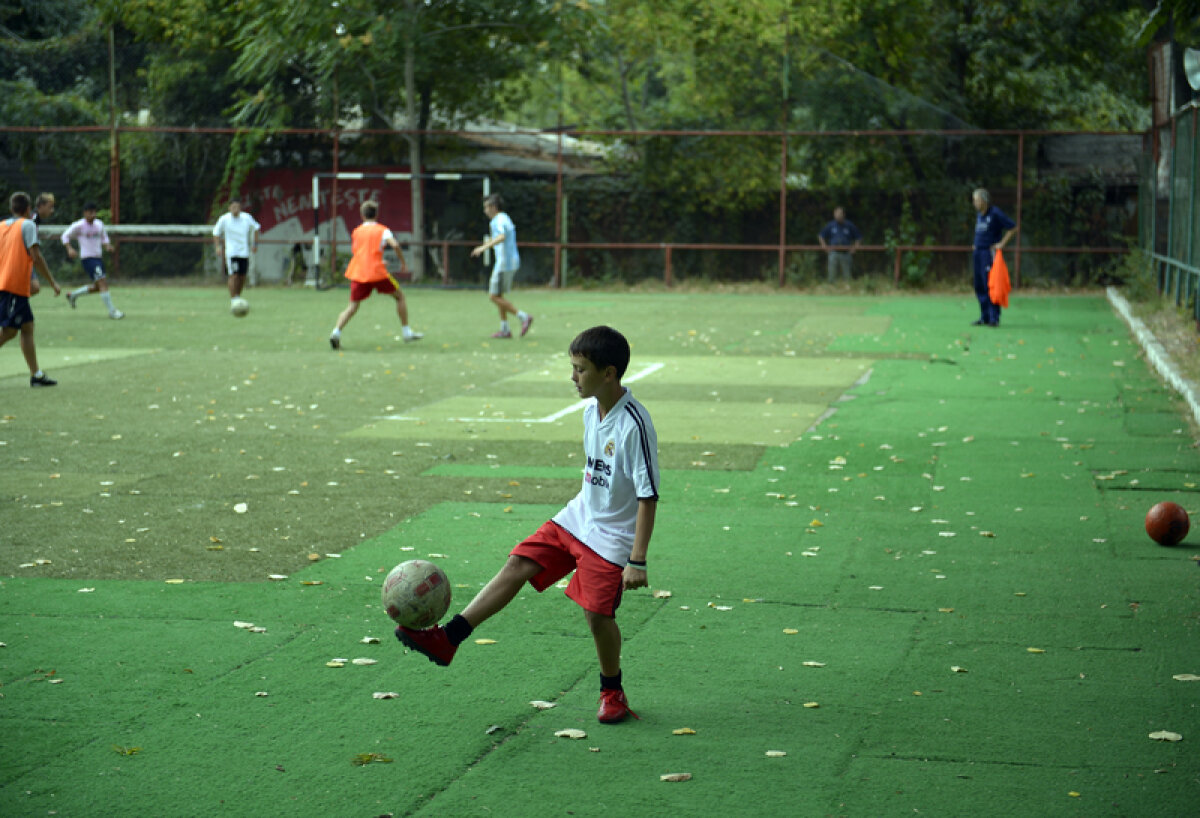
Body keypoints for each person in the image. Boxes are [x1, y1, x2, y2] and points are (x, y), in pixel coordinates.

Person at [396, 325, 659, 724]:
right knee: (518, 563)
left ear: (608, 373)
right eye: (572, 367)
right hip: (577, 517)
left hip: (612, 537)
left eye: (580, 369)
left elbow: (647, 495)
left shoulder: (635, 425)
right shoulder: (591, 411)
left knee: (597, 616)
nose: (573, 377)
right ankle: (448, 639)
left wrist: (636, 560)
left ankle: (612, 692)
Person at [329, 200, 423, 349]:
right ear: (377, 214)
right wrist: (403, 262)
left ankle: (336, 332)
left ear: (362, 215)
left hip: (359, 272)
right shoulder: (382, 230)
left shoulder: (356, 231)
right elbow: (395, 245)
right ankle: (406, 332)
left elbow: (360, 252)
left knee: (352, 306)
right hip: (376, 272)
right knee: (400, 297)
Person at [1, 192, 63, 386]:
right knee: (10, 332)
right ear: (28, 209)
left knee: (27, 327)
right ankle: (36, 375)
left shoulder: (1, 225)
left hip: (8, 285)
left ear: (12, 209)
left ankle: (36, 375)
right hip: (13, 286)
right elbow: (36, 257)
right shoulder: (28, 225)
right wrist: (52, 281)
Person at [470, 194, 532, 339]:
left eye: (486, 207)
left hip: (505, 262)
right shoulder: (504, 218)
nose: (485, 210)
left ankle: (523, 316)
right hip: (508, 261)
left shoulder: (498, 220)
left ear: (493, 207)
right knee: (498, 296)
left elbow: (501, 237)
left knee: (493, 296)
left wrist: (483, 248)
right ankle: (505, 329)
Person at [62, 202, 123, 319]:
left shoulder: (99, 224)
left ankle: (72, 295)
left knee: (98, 287)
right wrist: (69, 248)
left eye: (95, 212)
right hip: (88, 259)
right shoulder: (79, 225)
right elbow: (65, 236)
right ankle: (112, 311)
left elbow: (104, 238)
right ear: (85, 213)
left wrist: (107, 246)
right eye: (91, 212)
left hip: (98, 258)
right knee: (103, 282)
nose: (93, 215)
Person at [970, 188, 1018, 327]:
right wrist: (976, 244)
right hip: (978, 253)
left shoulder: (995, 213)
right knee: (979, 285)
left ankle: (994, 317)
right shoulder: (980, 215)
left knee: (990, 284)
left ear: (984, 201)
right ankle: (984, 316)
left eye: (976, 200)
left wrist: (1001, 244)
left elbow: (1013, 227)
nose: (974, 203)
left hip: (988, 254)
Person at [212, 197, 260, 309]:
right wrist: (218, 246)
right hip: (231, 253)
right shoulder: (224, 219)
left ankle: (238, 296)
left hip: (244, 252)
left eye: (237, 207)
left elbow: (257, 228)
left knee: (242, 276)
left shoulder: (246, 218)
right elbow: (216, 233)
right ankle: (234, 299)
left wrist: (255, 244)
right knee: (234, 275)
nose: (235, 209)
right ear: (229, 208)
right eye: (233, 207)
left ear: (240, 208)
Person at [818, 206, 862, 283]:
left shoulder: (849, 225)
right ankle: (831, 287)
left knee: (847, 274)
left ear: (843, 214)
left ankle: (847, 288)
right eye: (835, 214)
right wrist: (824, 247)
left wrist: (855, 248)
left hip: (846, 253)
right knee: (832, 273)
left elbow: (859, 237)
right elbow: (821, 236)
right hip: (833, 252)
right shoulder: (830, 225)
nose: (837, 215)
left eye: (839, 214)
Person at [28, 192, 55, 297]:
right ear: (41, 206)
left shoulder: (35, 218)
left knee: (34, 287)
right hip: (17, 256)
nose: (52, 211)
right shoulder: (32, 220)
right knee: (34, 287)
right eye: (50, 207)